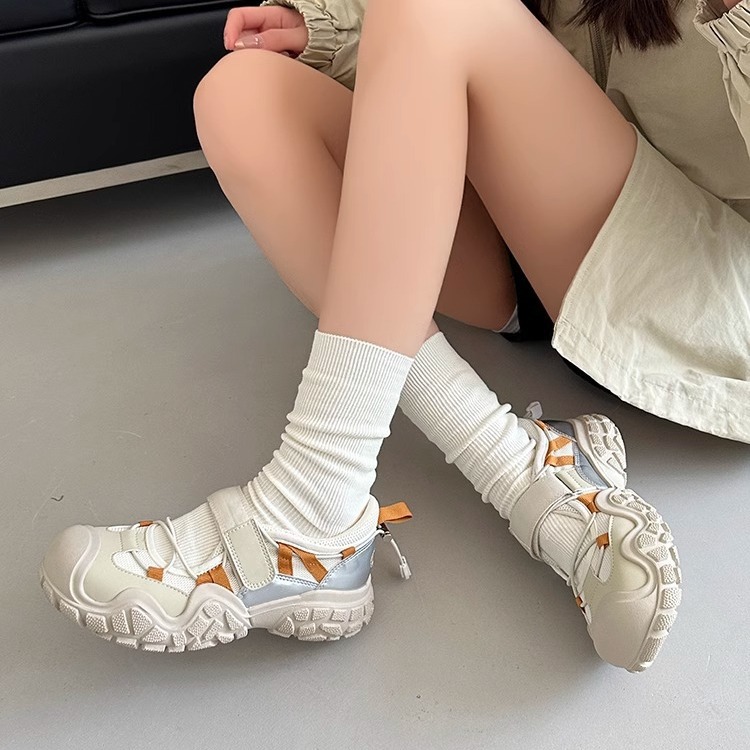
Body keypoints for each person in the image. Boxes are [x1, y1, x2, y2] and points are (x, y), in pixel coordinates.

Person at [39, 0, 750, 672]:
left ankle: (309, 509)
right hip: (536, 247)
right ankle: (516, 466)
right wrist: (330, 28)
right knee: (242, 97)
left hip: (701, 289)